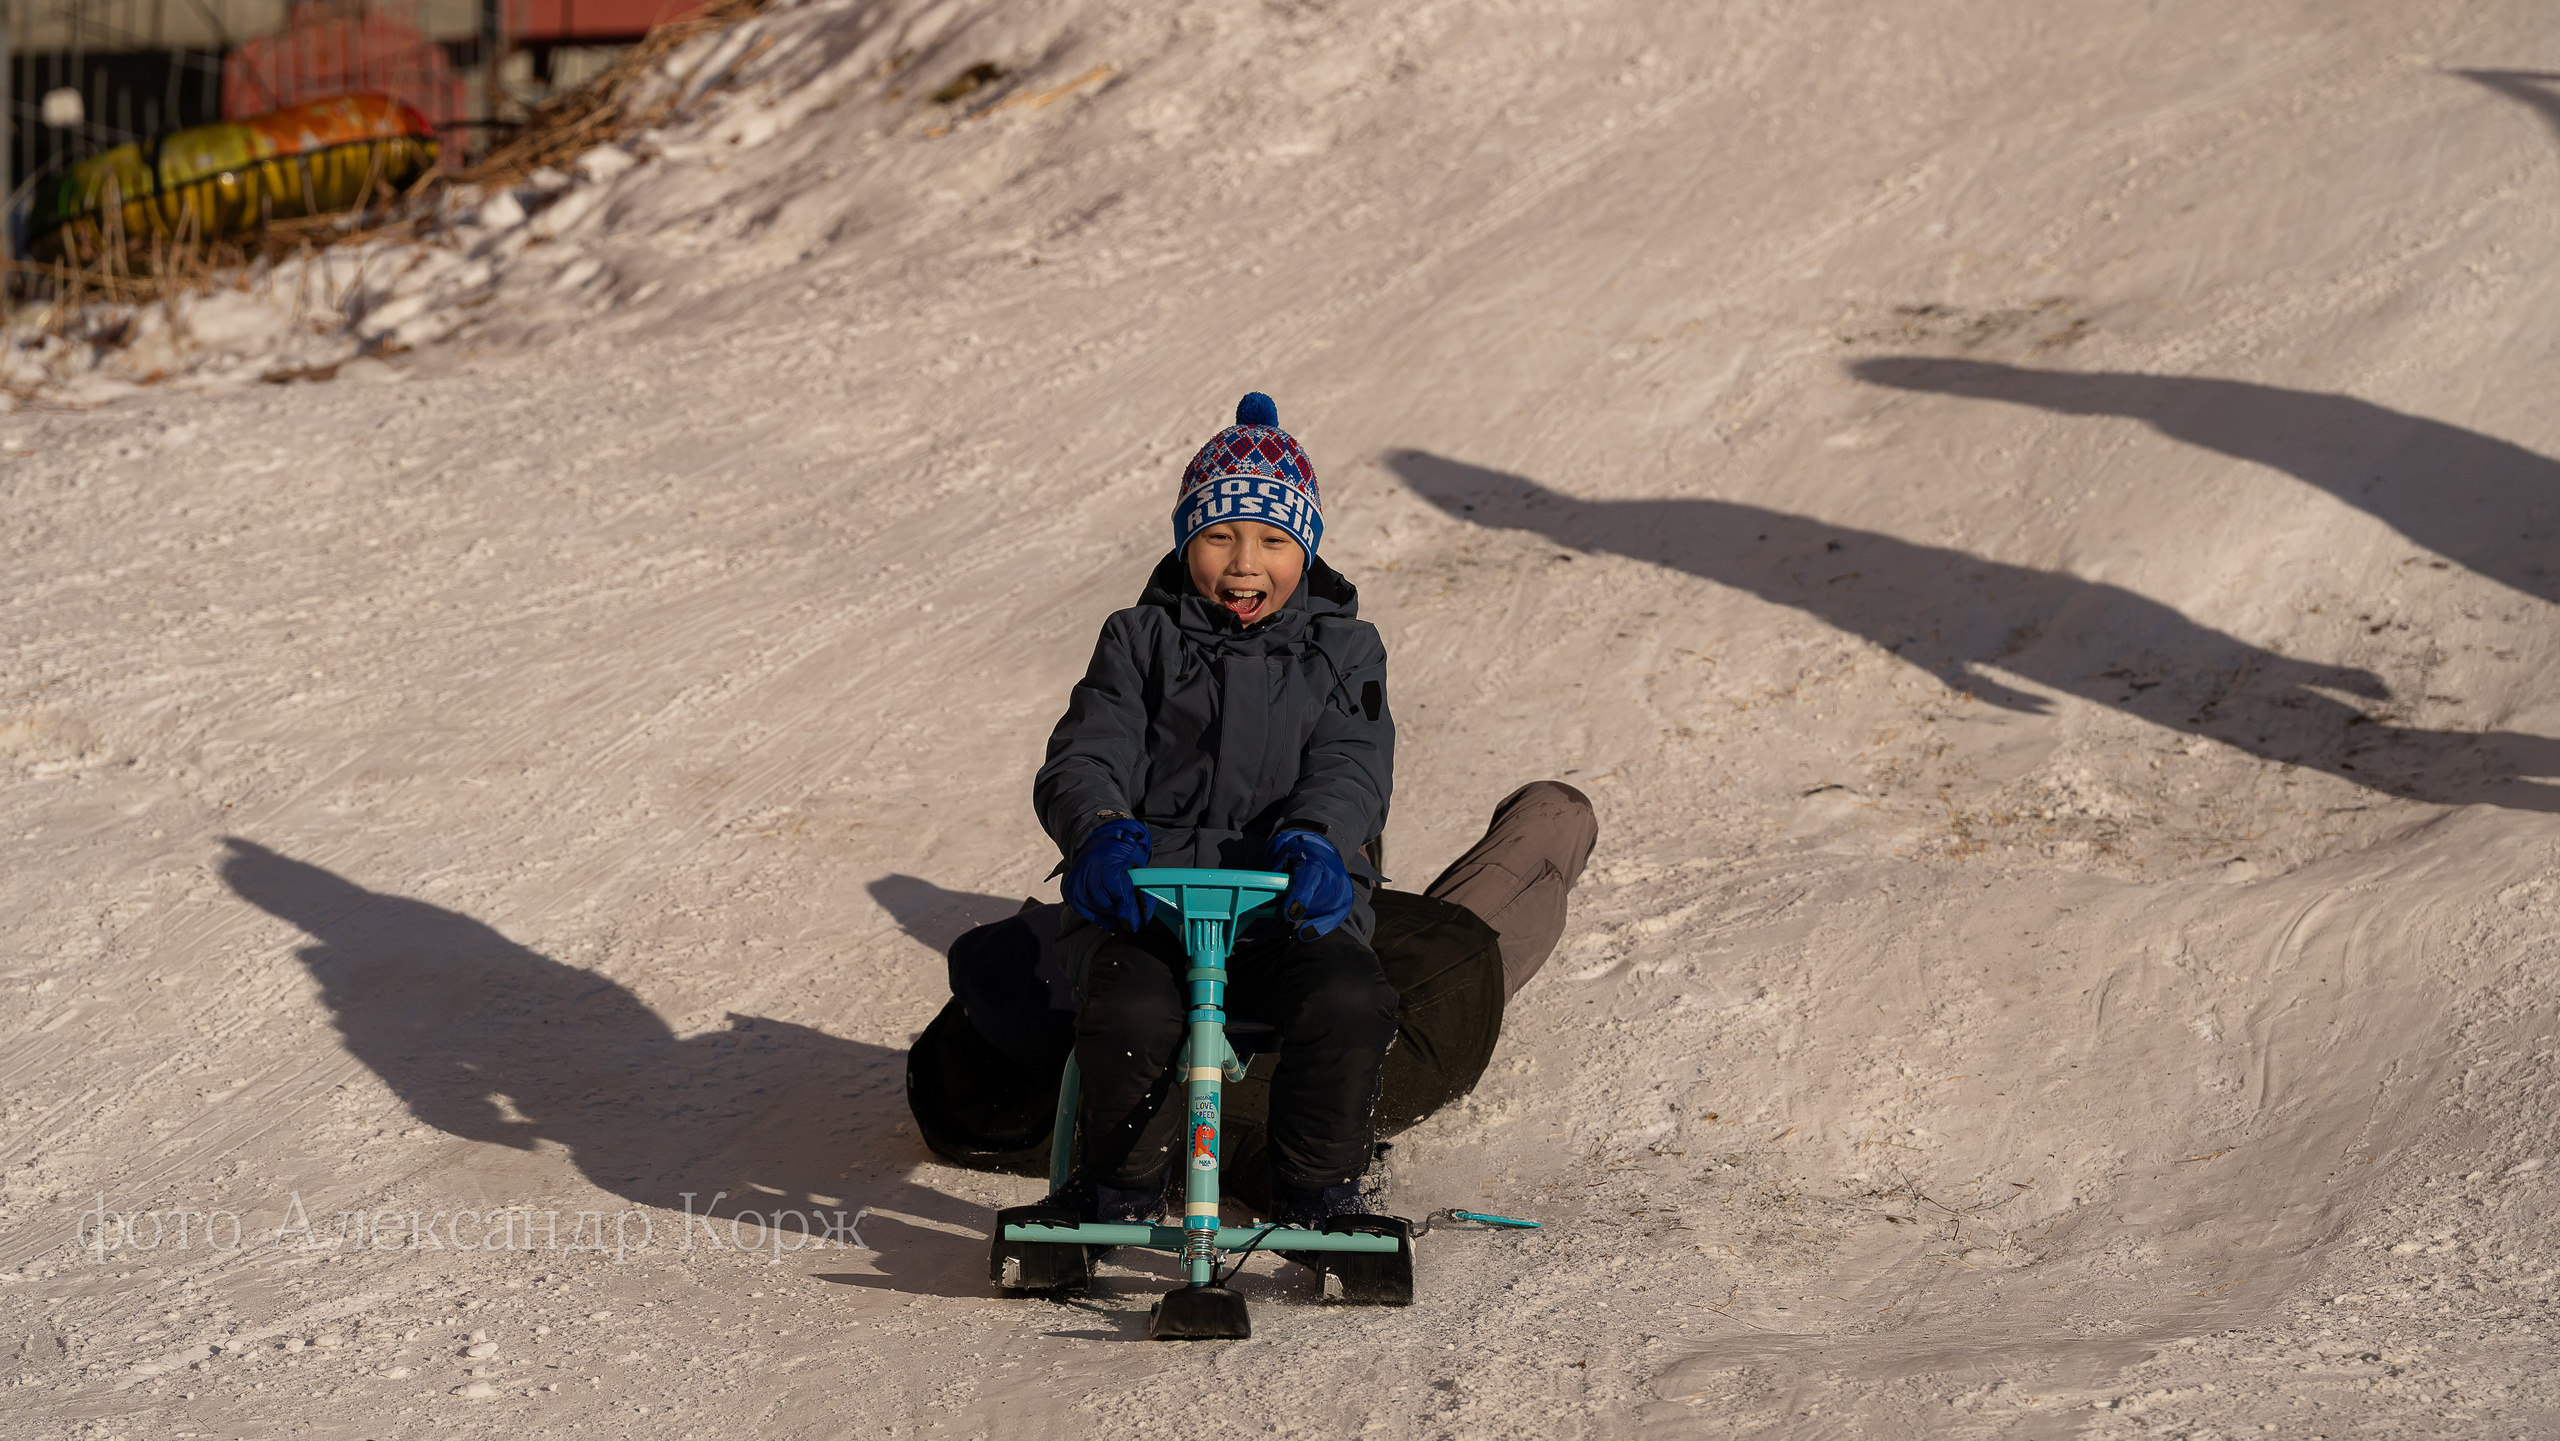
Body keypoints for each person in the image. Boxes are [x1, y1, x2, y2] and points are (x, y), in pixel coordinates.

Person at [1034, 391, 1397, 1228]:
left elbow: (1353, 763)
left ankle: (1318, 1193)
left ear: (1304, 549)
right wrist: (1100, 834)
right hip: (1152, 908)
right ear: (1183, 539)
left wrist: (1317, 840)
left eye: (1273, 540)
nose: (1243, 564)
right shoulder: (1137, 640)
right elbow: (1087, 751)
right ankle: (1119, 1190)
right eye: (1218, 536)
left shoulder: (1346, 650)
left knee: (1348, 998)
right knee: (1132, 1005)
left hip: (1286, 907)